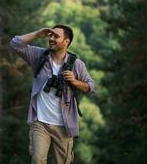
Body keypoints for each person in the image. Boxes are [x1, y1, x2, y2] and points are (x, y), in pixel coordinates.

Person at [10, 24, 95, 164]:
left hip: (64, 126)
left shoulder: (76, 64)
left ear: (66, 41)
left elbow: (91, 87)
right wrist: (37, 34)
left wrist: (75, 81)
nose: (51, 38)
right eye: (51, 35)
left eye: (56, 36)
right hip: (40, 122)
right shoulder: (39, 56)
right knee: (38, 160)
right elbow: (15, 44)